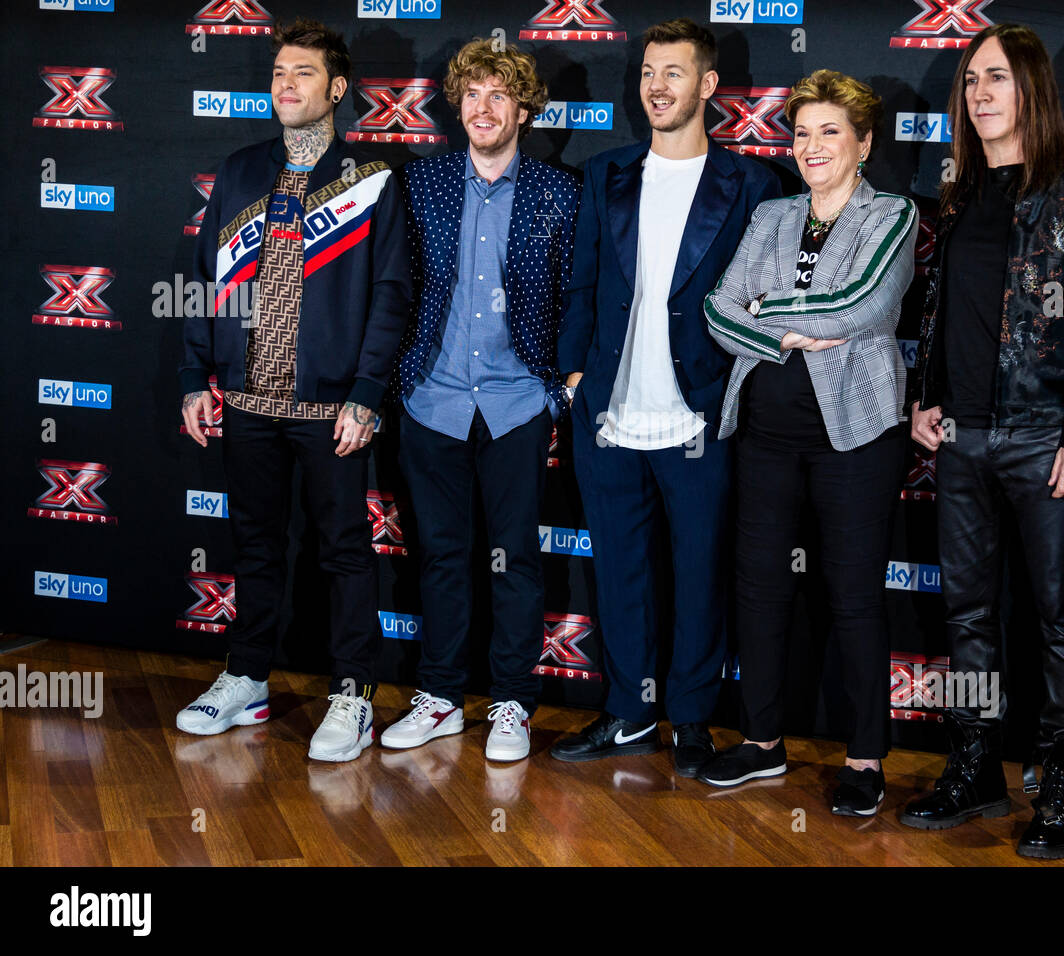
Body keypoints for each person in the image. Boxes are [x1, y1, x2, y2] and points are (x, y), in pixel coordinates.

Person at [901, 23, 1064, 858]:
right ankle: (975, 768)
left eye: (995, 79)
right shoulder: (959, 188)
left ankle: (1062, 783)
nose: (980, 95)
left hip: (1045, 440)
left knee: (1062, 621)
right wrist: (925, 398)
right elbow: (942, 312)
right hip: (960, 438)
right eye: (971, 83)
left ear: (1031, 87)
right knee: (968, 617)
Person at [549, 18, 781, 773]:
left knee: (699, 576)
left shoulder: (749, 184)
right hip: (609, 414)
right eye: (648, 71)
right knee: (619, 573)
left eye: (674, 72)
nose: (657, 85)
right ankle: (627, 713)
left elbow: (764, 302)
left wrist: (728, 391)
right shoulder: (606, 172)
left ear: (708, 85)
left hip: (700, 417)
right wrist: (577, 378)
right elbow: (581, 281)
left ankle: (690, 718)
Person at [177, 18, 410, 762]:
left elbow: (391, 293)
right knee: (253, 546)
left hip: (329, 407)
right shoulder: (240, 169)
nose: (286, 85)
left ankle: (352, 694)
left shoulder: (370, 178)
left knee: (344, 551)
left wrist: (367, 393)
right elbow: (206, 282)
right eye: (279, 72)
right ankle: (246, 677)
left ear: (336, 89)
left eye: (302, 73)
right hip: (245, 403)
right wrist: (194, 375)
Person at [698, 71, 917, 815]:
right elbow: (718, 310)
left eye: (831, 132)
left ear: (863, 143)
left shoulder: (891, 214)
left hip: (854, 436)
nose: (813, 146)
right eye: (802, 132)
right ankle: (761, 744)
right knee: (758, 589)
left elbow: (862, 306)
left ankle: (865, 757)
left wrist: (773, 314)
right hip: (763, 432)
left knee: (853, 596)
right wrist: (790, 325)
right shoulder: (773, 216)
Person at [381, 39, 579, 763]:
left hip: (516, 404)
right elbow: (393, 291)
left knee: (515, 560)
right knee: (438, 557)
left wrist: (561, 390)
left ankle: (512, 704)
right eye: (471, 95)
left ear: (523, 109)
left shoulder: (560, 192)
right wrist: (399, 381)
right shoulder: (420, 185)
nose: (483, 108)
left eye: (499, 95)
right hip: (431, 401)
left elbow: (576, 298)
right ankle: (438, 698)